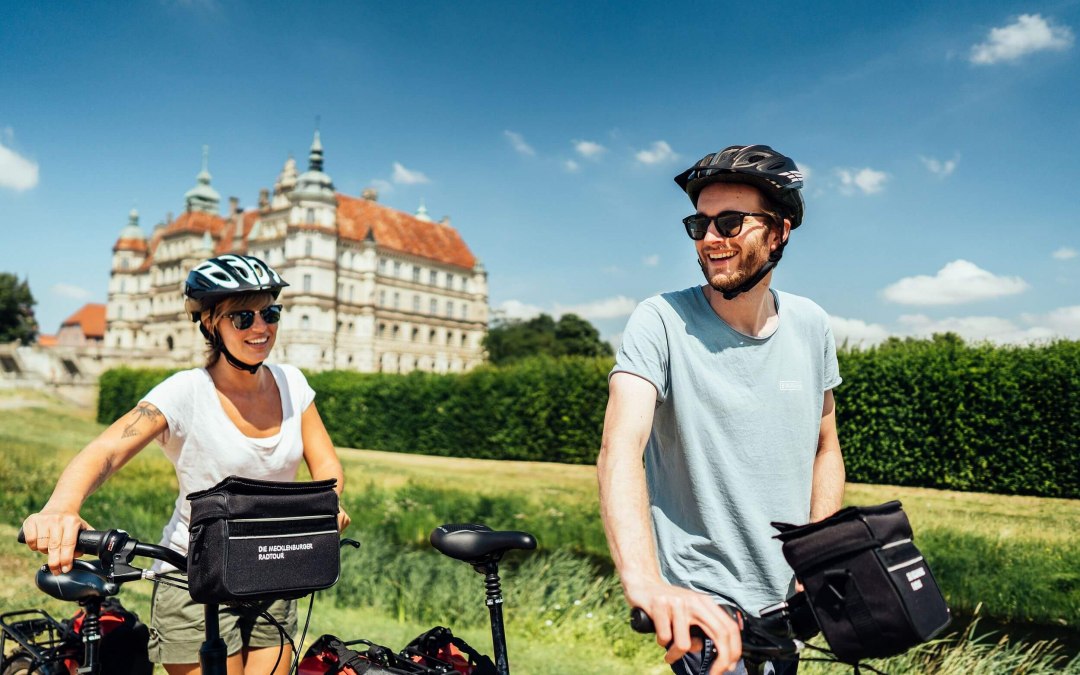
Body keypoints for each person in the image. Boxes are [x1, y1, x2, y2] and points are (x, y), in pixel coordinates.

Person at [21, 253, 351, 675]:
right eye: (243, 317)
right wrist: (60, 508)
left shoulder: (293, 383)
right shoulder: (186, 392)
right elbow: (107, 450)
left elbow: (327, 467)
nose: (261, 327)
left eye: (270, 312)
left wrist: (326, 505)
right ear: (211, 322)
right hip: (195, 576)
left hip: (275, 570)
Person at [597, 145, 845, 675]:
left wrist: (818, 559)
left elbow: (826, 449)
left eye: (730, 223)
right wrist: (644, 583)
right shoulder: (660, 319)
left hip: (785, 603)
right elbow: (620, 447)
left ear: (778, 232)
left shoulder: (812, 325)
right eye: (700, 224)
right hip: (701, 601)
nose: (711, 239)